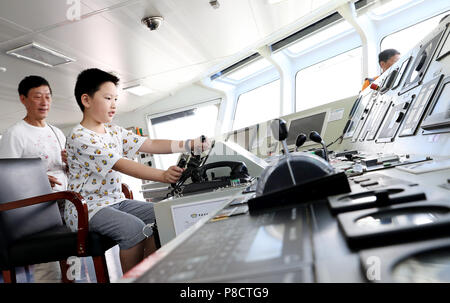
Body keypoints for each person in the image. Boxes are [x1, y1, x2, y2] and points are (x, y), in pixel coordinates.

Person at [65, 68, 211, 274]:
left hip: (116, 201)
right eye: (108, 98)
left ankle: (150, 275)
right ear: (86, 100)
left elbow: (149, 143)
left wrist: (188, 144)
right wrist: (162, 175)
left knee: (163, 214)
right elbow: (120, 163)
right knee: (133, 229)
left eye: (115, 98)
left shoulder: (113, 130)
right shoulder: (79, 136)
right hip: (87, 209)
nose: (114, 104)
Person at [0, 75, 67, 282]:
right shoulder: (15, 134)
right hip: (40, 209)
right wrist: (36, 179)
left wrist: (71, 163)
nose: (44, 102)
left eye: (47, 96)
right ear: (23, 99)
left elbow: (65, 170)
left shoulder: (57, 132)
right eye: (38, 96)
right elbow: (7, 178)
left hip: (67, 200)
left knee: (73, 259)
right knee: (49, 265)